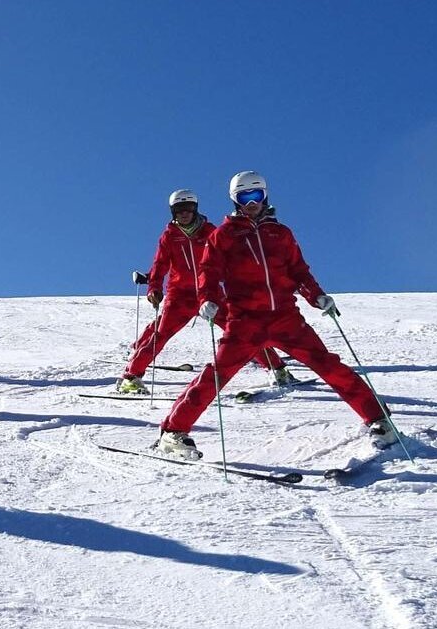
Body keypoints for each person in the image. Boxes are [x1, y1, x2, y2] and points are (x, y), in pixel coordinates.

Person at [154, 172, 395, 460]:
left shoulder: (280, 234)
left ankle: (379, 420)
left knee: (329, 365)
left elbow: (299, 271)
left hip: (285, 317)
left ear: (265, 195)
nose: (251, 203)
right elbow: (208, 270)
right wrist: (206, 298)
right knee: (216, 375)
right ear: (235, 200)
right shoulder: (225, 235)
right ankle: (174, 431)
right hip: (245, 321)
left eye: (256, 196)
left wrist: (317, 296)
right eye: (245, 197)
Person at [117, 189, 292, 394]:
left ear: (195, 209)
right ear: (173, 212)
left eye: (189, 208)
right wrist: (154, 287)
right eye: (180, 209)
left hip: (211, 294)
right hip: (180, 295)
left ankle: (277, 369)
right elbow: (160, 264)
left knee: (242, 330)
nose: (185, 213)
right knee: (160, 335)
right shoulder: (169, 237)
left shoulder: (210, 231)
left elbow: (229, 257)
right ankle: (131, 377)